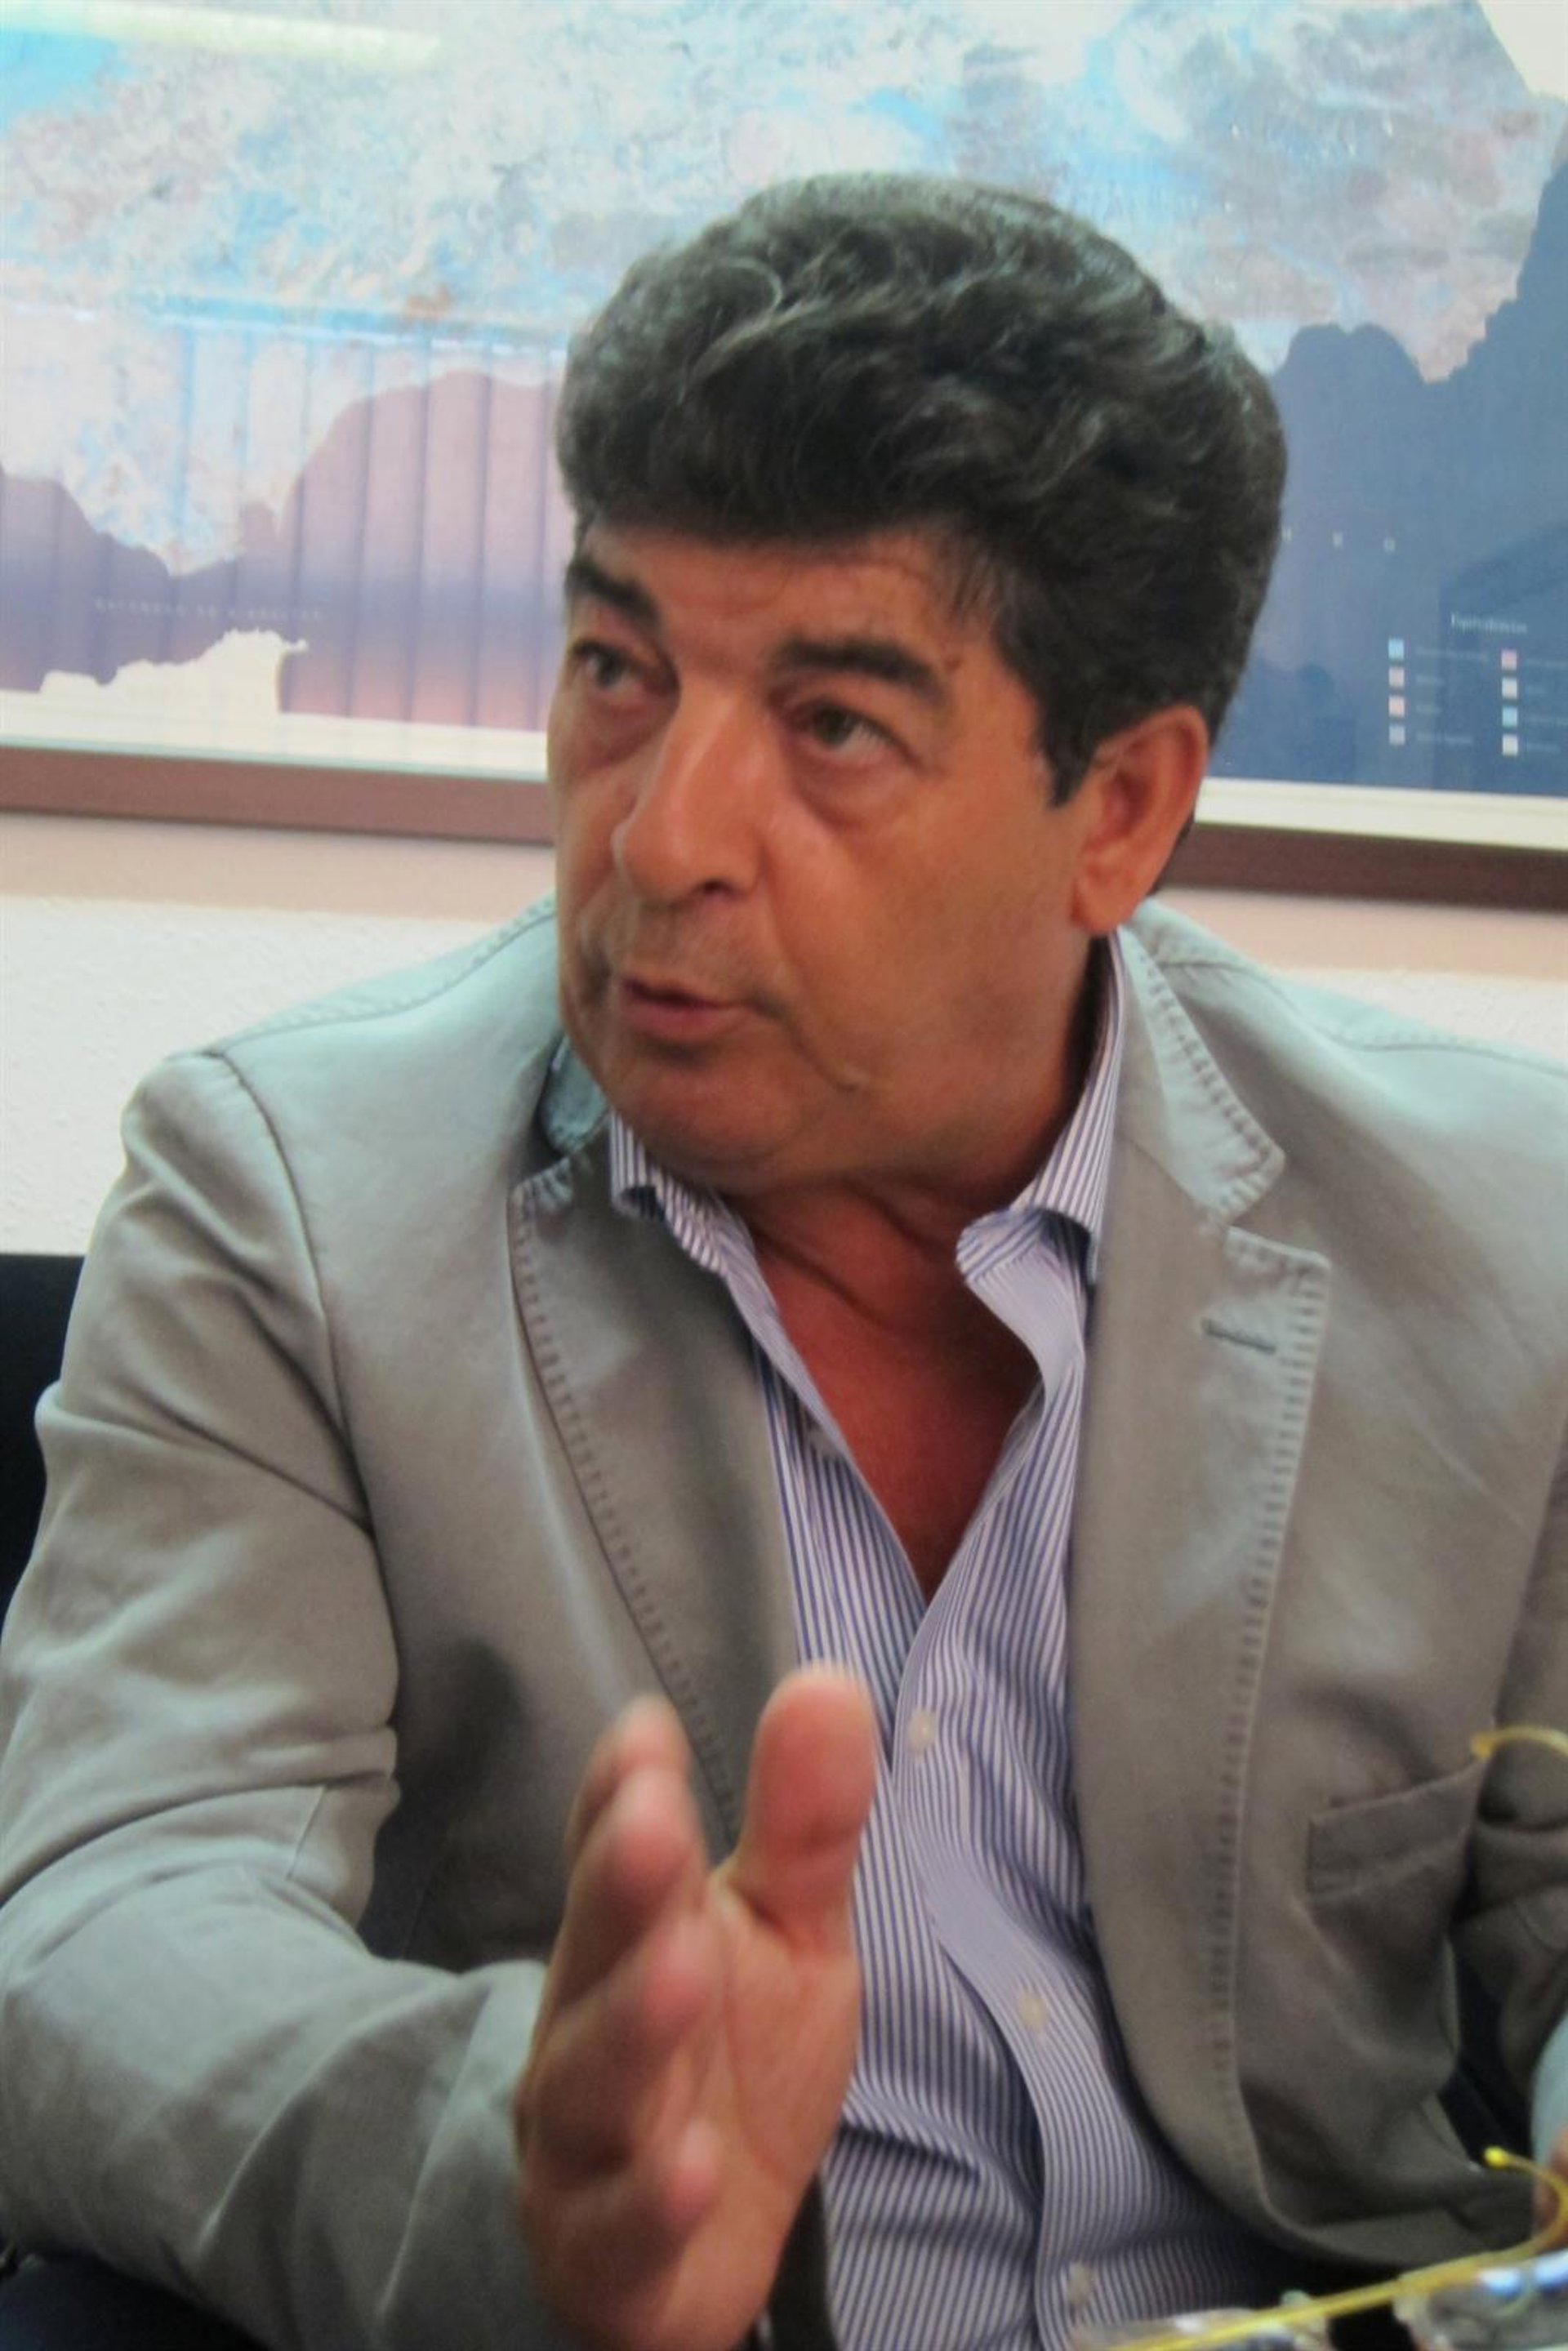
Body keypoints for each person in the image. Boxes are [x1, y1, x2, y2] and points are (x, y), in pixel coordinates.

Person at [0, 175, 1563, 2351]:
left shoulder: (1500, 1236)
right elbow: (109, 1922)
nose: (659, 837)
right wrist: (518, 2165)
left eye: (833, 724)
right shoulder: (285, 1204)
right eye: (619, 671)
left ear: (1121, 811)